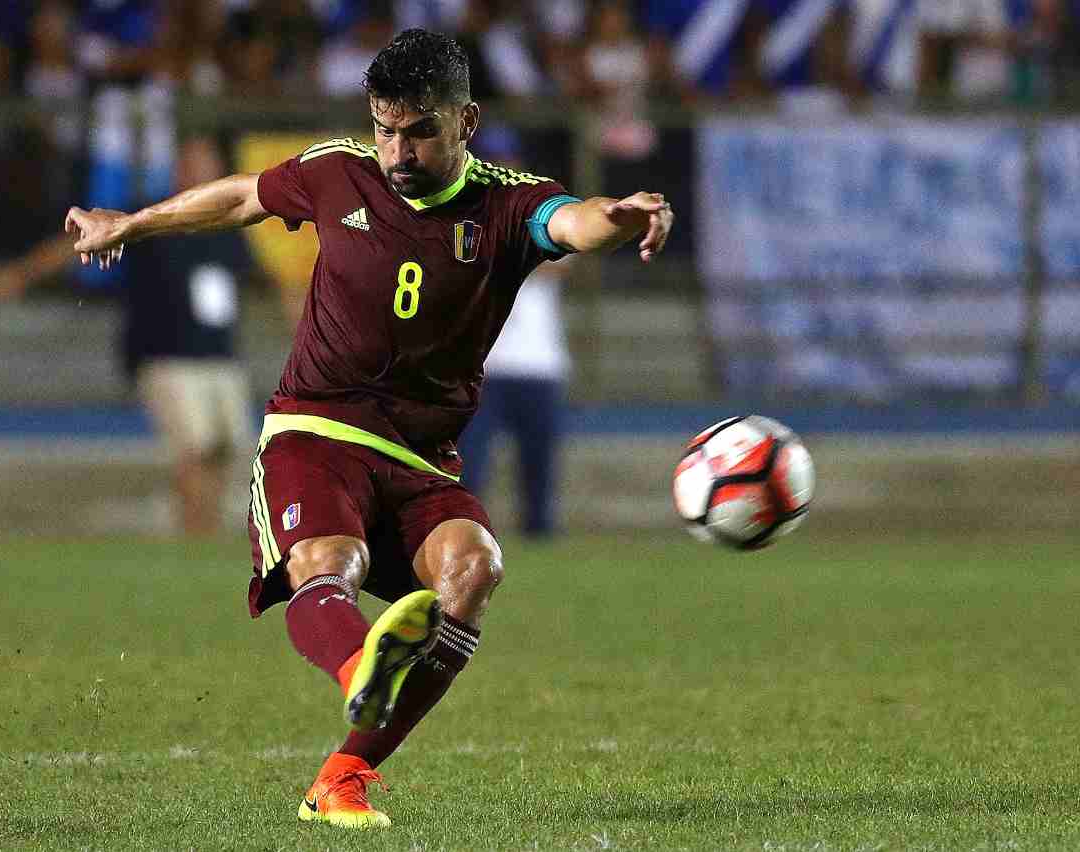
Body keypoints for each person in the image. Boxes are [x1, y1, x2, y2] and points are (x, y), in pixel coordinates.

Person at [64, 27, 674, 830]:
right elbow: (244, 195)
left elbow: (575, 223)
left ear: (467, 121)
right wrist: (133, 222)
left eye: (420, 130)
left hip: (423, 458)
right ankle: (362, 665)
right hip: (313, 430)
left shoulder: (507, 202)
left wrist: (622, 215)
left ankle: (342, 776)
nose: (398, 150)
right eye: (386, 128)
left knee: (473, 568)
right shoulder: (336, 171)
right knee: (332, 562)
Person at [0, 136, 266, 536]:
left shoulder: (229, 226)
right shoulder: (155, 213)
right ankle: (195, 535)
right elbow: (83, 237)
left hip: (219, 356)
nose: (198, 169)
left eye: (206, 161)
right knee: (194, 448)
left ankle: (206, 535)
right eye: (191, 160)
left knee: (227, 450)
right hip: (166, 355)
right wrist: (21, 274)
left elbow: (254, 279)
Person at [457, 125, 572, 538]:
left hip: (539, 365)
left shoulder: (539, 207)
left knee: (538, 476)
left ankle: (540, 550)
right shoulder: (461, 213)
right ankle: (465, 548)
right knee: (470, 471)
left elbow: (563, 264)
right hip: (484, 366)